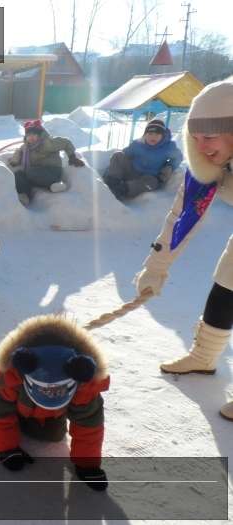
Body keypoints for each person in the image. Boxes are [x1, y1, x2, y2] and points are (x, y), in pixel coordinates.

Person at [134, 80, 233, 421]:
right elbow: (181, 216)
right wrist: (156, 268)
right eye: (195, 137)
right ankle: (204, 358)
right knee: (225, 289)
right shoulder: (211, 162)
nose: (201, 146)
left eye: (210, 137)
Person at [0, 315, 110, 491]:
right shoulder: (9, 375)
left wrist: (88, 466)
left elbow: (89, 426)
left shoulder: (85, 382)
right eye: (47, 388)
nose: (52, 392)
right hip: (12, 395)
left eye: (57, 390)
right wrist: (7, 449)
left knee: (52, 436)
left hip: (39, 409)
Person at [7, 120, 84, 206]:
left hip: (52, 171)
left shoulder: (48, 143)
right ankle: (24, 196)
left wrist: (72, 157)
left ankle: (56, 184)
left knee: (30, 172)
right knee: (19, 174)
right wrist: (14, 161)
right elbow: (19, 152)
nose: (31, 137)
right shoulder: (26, 147)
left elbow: (66, 142)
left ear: (39, 135)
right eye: (28, 135)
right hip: (36, 173)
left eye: (34, 134)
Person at [103, 119, 183, 200]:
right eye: (150, 134)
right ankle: (112, 180)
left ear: (163, 136)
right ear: (145, 134)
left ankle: (123, 189)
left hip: (149, 176)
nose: (153, 137)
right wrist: (118, 165)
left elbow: (178, 157)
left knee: (151, 183)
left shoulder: (168, 147)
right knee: (118, 155)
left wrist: (170, 166)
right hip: (132, 171)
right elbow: (125, 153)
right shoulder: (138, 144)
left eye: (157, 134)